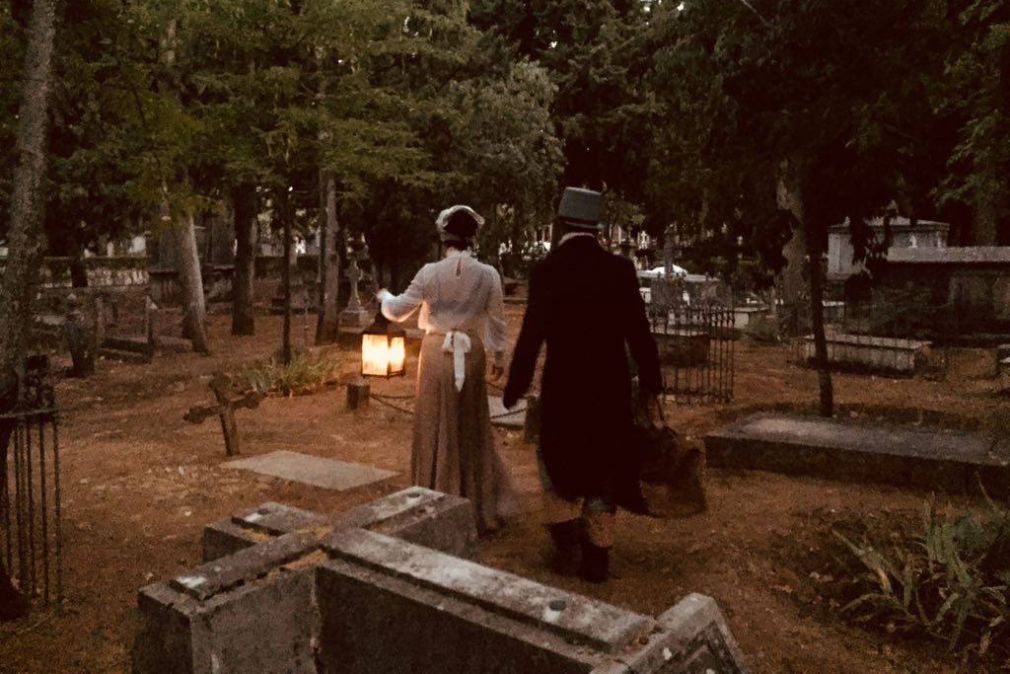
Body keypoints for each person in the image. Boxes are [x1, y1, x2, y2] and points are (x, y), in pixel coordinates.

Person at [502, 187, 662, 582]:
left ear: (559, 224)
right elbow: (639, 333)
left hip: (564, 387)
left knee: (558, 466)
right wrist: (652, 382)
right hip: (609, 385)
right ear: (596, 227)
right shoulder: (619, 270)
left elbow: (531, 336)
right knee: (604, 468)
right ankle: (597, 558)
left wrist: (516, 385)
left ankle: (564, 548)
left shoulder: (547, 271)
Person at [377, 205, 515, 533]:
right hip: (471, 352)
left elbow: (397, 311)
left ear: (444, 239)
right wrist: (498, 358)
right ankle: (474, 502)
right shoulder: (488, 274)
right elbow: (497, 320)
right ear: (473, 239)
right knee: (470, 425)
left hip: (437, 354)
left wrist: (384, 296)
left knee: (434, 424)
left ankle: (433, 497)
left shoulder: (429, 273)